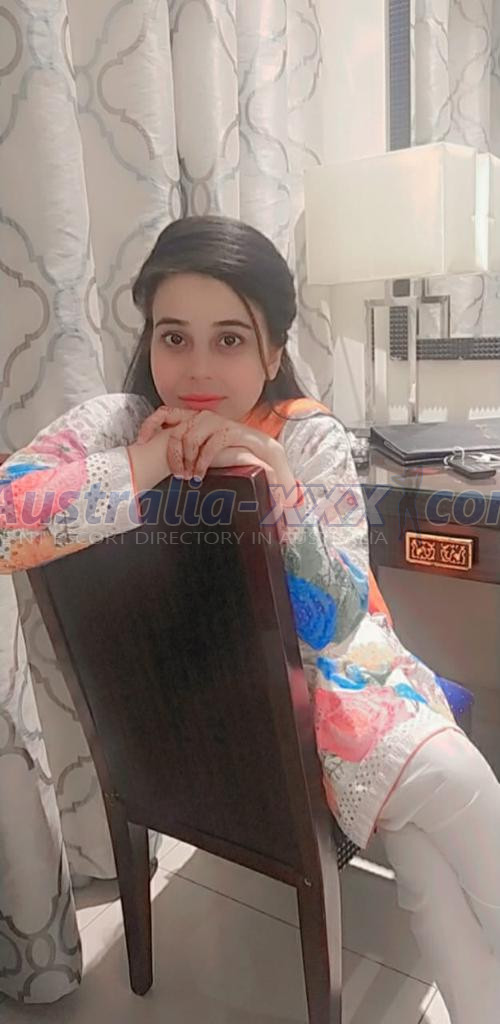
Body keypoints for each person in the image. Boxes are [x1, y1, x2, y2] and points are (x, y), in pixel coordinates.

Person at [1, 216, 499, 1021]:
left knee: (431, 867)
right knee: (455, 796)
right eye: (174, 337)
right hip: (237, 730)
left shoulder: (304, 436)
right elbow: (6, 521)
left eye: (229, 340)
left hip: (341, 701)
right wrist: (153, 460)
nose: (197, 369)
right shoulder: (119, 425)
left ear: (272, 353)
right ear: (150, 339)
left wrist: (275, 484)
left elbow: (339, 620)